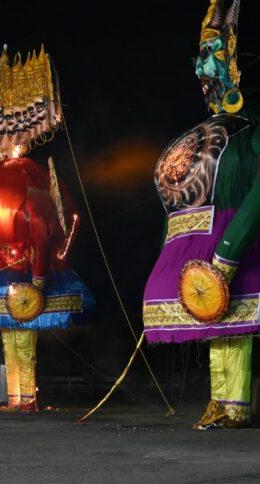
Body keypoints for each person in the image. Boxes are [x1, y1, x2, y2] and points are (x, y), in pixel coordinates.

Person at [0, 45, 95, 413]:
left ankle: (25, 396)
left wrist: (40, 275)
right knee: (11, 334)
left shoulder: (26, 175)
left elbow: (46, 224)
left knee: (20, 333)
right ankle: (18, 397)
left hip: (24, 268)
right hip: (7, 268)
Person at [143, 0, 260, 429]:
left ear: (233, 63)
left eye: (209, 57)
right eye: (198, 60)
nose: (200, 71)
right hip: (204, 247)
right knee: (216, 317)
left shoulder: (250, 132)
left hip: (235, 241)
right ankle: (223, 403)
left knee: (234, 318)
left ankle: (235, 404)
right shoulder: (209, 132)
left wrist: (229, 250)